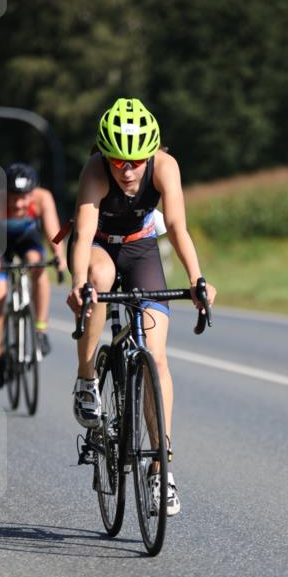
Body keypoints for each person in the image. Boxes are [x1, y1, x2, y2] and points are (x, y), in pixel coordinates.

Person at [66, 97, 216, 517]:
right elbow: (83, 236)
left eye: (135, 161)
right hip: (98, 248)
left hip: (141, 249)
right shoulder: (95, 172)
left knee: (157, 355)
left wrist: (197, 279)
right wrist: (79, 284)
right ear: (104, 155)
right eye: (117, 161)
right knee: (98, 280)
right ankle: (86, 378)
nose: (127, 170)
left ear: (150, 153)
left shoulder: (165, 167)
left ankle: (159, 468)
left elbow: (179, 229)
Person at [0, 163, 67, 388]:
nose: (18, 203)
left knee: (38, 266)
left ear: (32, 193)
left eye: (23, 197)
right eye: (13, 196)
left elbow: (55, 235)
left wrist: (58, 256)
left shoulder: (43, 198)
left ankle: (40, 329)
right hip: (1, 245)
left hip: (28, 241)